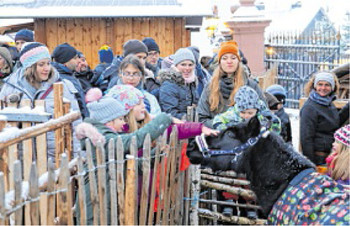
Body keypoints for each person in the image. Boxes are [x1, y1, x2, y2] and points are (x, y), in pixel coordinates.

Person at [0, 42, 82, 159]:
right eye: (41, 64)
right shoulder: (11, 87)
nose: (47, 68)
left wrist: (77, 156)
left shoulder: (62, 86)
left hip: (55, 158)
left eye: (48, 63)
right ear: (30, 66)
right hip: (22, 159)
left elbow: (76, 124)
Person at [196, 40, 265, 128]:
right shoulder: (210, 87)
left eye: (233, 58)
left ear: (238, 61)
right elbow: (202, 119)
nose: (229, 61)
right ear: (220, 62)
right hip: (218, 137)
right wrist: (223, 125)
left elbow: (264, 115)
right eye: (224, 58)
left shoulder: (251, 86)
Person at [300, 71, 348, 166]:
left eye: (327, 85)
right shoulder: (310, 107)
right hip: (318, 158)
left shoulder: (328, 104)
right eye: (320, 84)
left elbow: (335, 123)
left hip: (329, 155)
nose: (323, 88)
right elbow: (306, 138)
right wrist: (311, 165)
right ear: (315, 86)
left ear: (332, 87)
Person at [213, 85, 281, 133]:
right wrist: (228, 129)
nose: (246, 116)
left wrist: (272, 125)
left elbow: (276, 130)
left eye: (250, 113)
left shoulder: (263, 116)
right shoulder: (233, 114)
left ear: (256, 110)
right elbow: (217, 120)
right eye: (243, 112)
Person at [158, 48, 198, 119]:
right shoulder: (169, 85)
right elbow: (170, 113)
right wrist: (193, 117)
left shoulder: (192, 83)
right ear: (176, 65)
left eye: (190, 65)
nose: (187, 68)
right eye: (183, 64)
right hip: (177, 126)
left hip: (191, 123)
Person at [51, 42, 88, 118]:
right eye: (75, 58)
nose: (78, 61)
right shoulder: (60, 79)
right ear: (65, 62)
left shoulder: (70, 75)